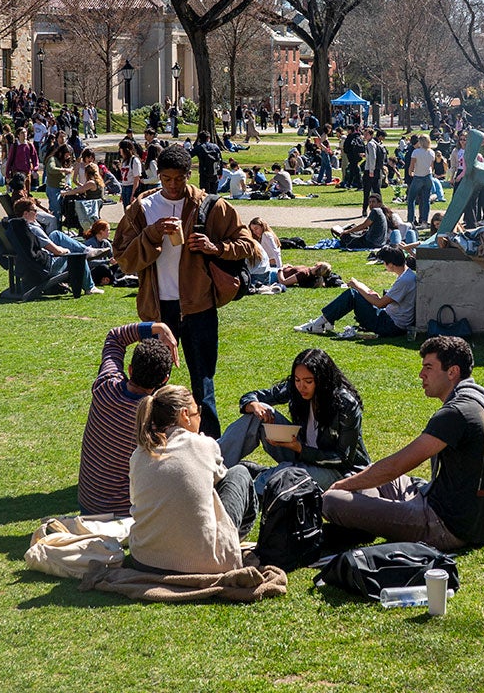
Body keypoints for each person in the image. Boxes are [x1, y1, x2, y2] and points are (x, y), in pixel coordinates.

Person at [321, 337, 484, 551]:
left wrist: (342, 485)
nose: (421, 374)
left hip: (442, 526)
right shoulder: (483, 399)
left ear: (452, 372)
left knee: (333, 500)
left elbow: (398, 465)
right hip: (464, 520)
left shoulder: (455, 413)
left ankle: (367, 522)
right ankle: (373, 520)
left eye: (429, 367)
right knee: (370, 476)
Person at [112, 145, 255, 438]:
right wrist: (151, 234)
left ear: (188, 175)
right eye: (166, 179)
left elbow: (248, 244)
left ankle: (211, 449)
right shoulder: (143, 208)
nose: (173, 185)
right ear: (157, 176)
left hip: (198, 307)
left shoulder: (212, 206)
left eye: (178, 178)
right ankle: (153, 445)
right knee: (153, 385)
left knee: (203, 384)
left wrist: (217, 248)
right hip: (158, 310)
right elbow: (124, 258)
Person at [127, 385, 255, 575]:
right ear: (185, 414)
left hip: (145, 559)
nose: (200, 418)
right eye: (198, 412)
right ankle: (227, 545)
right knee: (240, 473)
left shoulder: (139, 455)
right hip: (202, 563)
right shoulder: (203, 445)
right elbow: (222, 478)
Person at [219, 348, 370, 494]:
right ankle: (212, 465)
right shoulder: (295, 389)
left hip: (338, 471)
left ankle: (248, 487)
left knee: (283, 476)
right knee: (260, 411)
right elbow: (253, 396)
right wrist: (253, 405)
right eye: (297, 380)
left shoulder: (345, 404)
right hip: (300, 453)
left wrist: (300, 449)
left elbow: (343, 459)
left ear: (322, 380)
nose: (301, 386)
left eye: (308, 381)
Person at [77, 321, 177, 517]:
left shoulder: (105, 386)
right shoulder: (157, 420)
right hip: (123, 515)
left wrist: (158, 327)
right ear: (164, 380)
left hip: (87, 504)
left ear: (130, 369)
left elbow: (115, 336)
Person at [294, 245, 416, 337]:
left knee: (353, 294)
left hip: (391, 325)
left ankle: (318, 324)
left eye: (384, 262)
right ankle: (326, 321)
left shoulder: (404, 280)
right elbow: (384, 301)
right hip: (390, 318)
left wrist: (357, 286)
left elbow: (380, 303)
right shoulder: (408, 275)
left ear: (391, 264)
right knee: (358, 294)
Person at [15, 198, 103, 296]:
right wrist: (66, 250)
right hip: (45, 267)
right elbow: (57, 251)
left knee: (56, 234)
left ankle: (87, 250)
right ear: (25, 213)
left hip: (31, 265)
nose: (37, 213)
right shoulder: (33, 229)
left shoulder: (17, 227)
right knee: (78, 256)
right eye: (34, 211)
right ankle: (90, 287)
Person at [406, 134, 436, 227]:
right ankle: (424, 221)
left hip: (418, 176)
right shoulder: (431, 152)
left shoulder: (416, 152)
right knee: (426, 200)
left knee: (411, 199)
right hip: (428, 176)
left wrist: (410, 172)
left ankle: (410, 220)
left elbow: (412, 165)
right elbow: (432, 166)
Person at [247, 217, 283, 285]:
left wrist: (279, 268)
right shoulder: (266, 235)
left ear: (262, 226)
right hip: (271, 265)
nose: (254, 232)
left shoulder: (266, 235)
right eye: (252, 230)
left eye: (256, 229)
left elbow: (276, 252)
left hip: (273, 265)